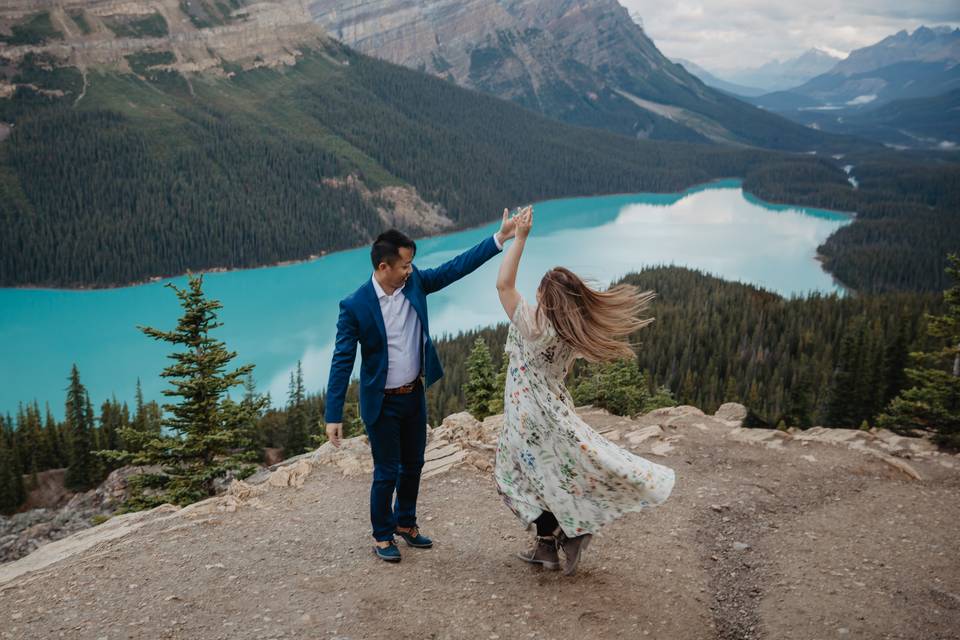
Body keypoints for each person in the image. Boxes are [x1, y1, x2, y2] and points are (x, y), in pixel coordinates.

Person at [325, 212, 520, 562]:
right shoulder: (355, 306)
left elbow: (455, 267)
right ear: (384, 267)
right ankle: (382, 535)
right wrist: (333, 413)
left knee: (414, 464)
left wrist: (499, 238)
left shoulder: (415, 284)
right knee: (386, 471)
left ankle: (406, 523)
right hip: (381, 403)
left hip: (413, 395)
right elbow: (342, 360)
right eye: (404, 265)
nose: (410, 270)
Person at [493, 206, 676, 576]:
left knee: (511, 477)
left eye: (541, 292)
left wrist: (519, 238)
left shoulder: (532, 325)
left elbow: (503, 285)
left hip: (527, 412)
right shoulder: (571, 334)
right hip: (553, 408)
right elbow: (561, 373)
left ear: (547, 298)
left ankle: (564, 536)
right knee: (548, 474)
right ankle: (552, 543)